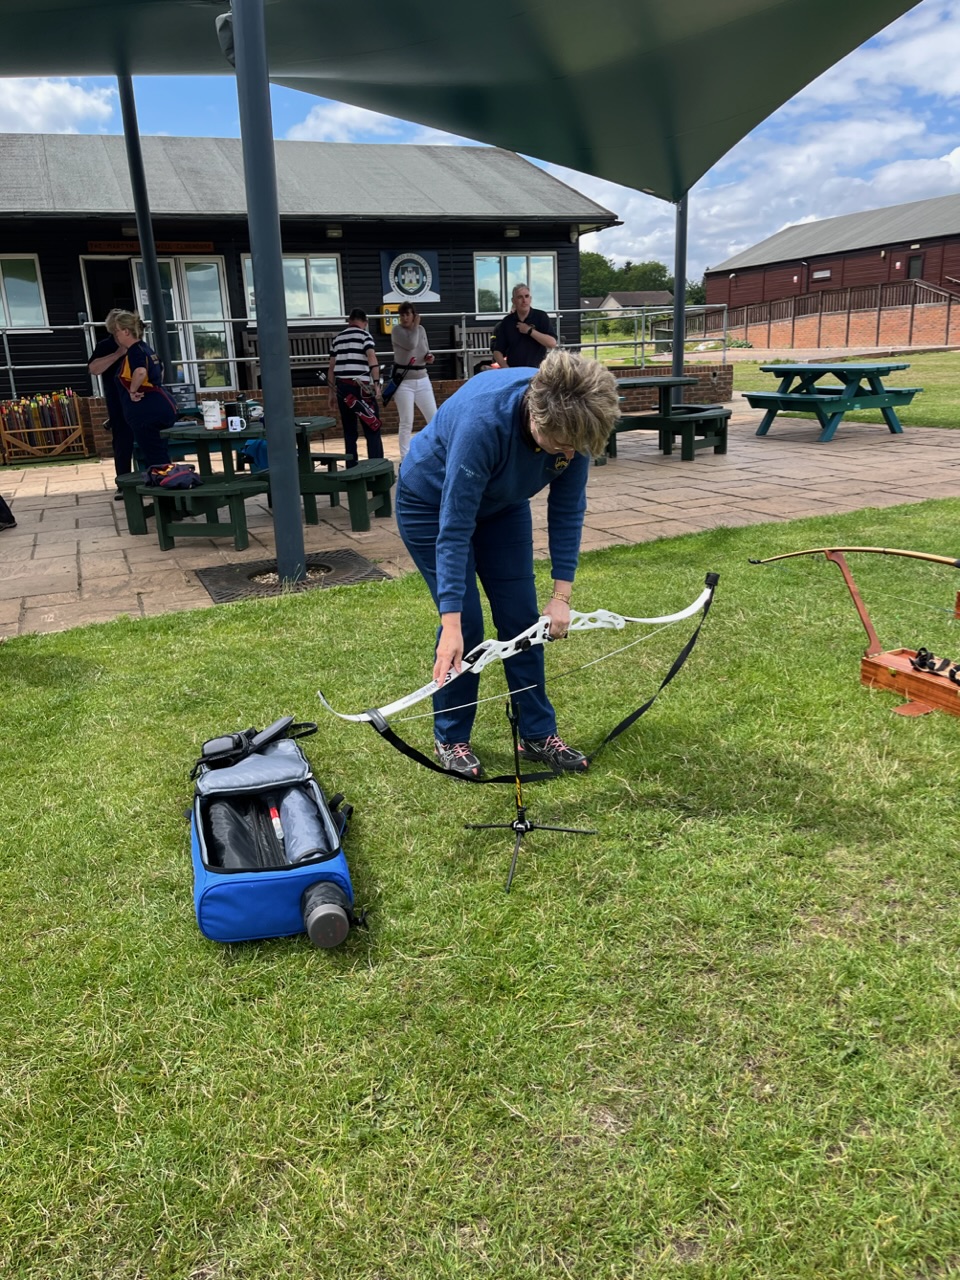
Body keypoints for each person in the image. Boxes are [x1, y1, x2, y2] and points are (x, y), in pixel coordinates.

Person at [394, 349, 619, 778]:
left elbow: (568, 509)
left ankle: (536, 734)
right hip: (430, 503)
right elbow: (455, 527)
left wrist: (561, 597)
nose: (569, 456)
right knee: (469, 627)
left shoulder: (577, 422)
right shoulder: (483, 423)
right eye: (562, 446)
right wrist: (452, 624)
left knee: (521, 620)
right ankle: (452, 737)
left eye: (576, 448)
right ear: (536, 417)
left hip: (502, 506)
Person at [111, 311, 174, 469]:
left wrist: (133, 391)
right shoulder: (146, 349)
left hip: (147, 412)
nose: (116, 335)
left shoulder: (135, 351)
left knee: (154, 457)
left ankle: (164, 488)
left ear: (126, 331)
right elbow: (160, 369)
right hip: (161, 405)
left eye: (116, 331)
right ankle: (167, 483)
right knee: (160, 452)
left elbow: (140, 371)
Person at [87, 308, 136, 499]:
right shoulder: (104, 346)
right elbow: (93, 369)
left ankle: (153, 477)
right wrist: (117, 354)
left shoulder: (136, 345)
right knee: (122, 441)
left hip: (138, 399)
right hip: (117, 400)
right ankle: (123, 484)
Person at [327, 309, 384, 468]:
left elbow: (331, 368)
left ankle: (351, 467)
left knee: (349, 431)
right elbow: (371, 356)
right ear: (365, 322)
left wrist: (331, 393)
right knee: (372, 427)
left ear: (349, 321)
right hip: (361, 388)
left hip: (342, 388)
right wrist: (377, 382)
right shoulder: (365, 336)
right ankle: (376, 468)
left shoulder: (338, 338)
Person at [390, 302, 437, 463]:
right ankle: (405, 457)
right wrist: (416, 325)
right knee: (406, 421)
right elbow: (410, 344)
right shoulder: (397, 331)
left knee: (433, 417)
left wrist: (429, 356)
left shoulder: (421, 330)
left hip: (422, 378)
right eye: (401, 315)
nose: (404, 318)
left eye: (407, 314)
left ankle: (435, 451)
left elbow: (424, 348)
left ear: (413, 315)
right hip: (404, 381)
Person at [491, 283, 558, 369]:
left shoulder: (541, 316)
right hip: (514, 371)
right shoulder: (507, 321)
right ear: (513, 301)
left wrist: (530, 331)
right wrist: (507, 369)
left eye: (526, 296)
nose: (524, 300)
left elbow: (552, 343)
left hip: (537, 370)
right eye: (520, 297)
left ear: (530, 299)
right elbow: (497, 351)